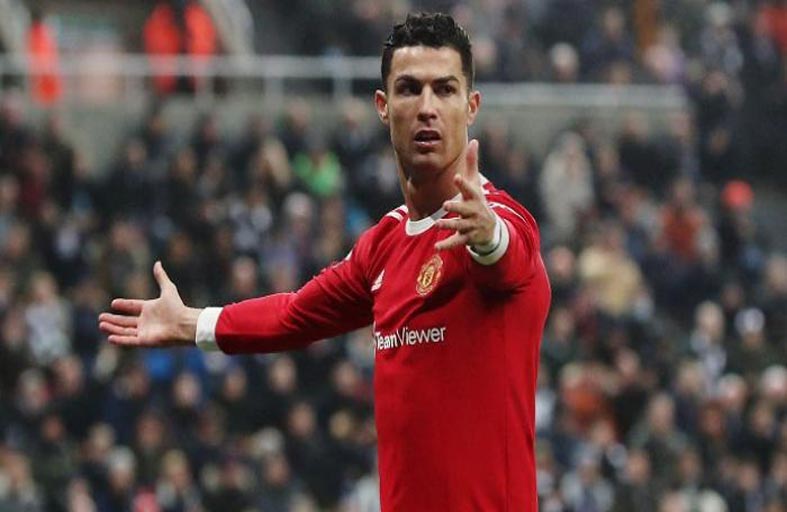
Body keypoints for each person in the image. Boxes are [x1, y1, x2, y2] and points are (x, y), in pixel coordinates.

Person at [100, 12, 550, 511]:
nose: (427, 108)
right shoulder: (384, 244)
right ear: (383, 106)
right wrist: (191, 323)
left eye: (445, 90)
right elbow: (294, 314)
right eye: (409, 89)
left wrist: (488, 237)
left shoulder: (500, 219)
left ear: (471, 106)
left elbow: (508, 257)